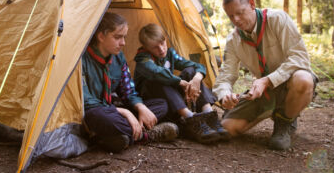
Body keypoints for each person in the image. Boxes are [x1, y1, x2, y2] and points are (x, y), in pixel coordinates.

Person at [213, 0, 317, 150]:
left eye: (240, 13)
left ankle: (285, 122)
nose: (236, 20)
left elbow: (300, 57)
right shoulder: (233, 40)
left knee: (303, 79)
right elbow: (226, 75)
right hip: (264, 92)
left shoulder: (277, 19)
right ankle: (273, 109)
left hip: (289, 83)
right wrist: (225, 95)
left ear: (252, 4)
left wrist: (268, 80)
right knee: (227, 128)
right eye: (231, 16)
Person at [82, 12, 178, 153]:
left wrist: (140, 108)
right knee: (98, 116)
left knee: (161, 104)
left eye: (124, 37)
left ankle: (113, 138)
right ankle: (147, 135)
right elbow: (86, 101)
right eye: (117, 37)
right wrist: (125, 112)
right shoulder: (82, 59)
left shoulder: (118, 57)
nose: (123, 43)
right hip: (97, 113)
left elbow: (128, 90)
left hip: (114, 110)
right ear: (101, 36)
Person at [133, 23, 229, 144]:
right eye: (155, 47)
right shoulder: (142, 58)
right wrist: (180, 82)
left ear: (165, 39)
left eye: (162, 43)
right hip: (154, 103)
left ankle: (209, 115)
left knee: (191, 71)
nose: (161, 49)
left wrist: (197, 78)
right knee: (158, 79)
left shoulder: (169, 54)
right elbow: (157, 72)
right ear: (146, 48)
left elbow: (195, 66)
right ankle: (190, 120)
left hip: (171, 98)